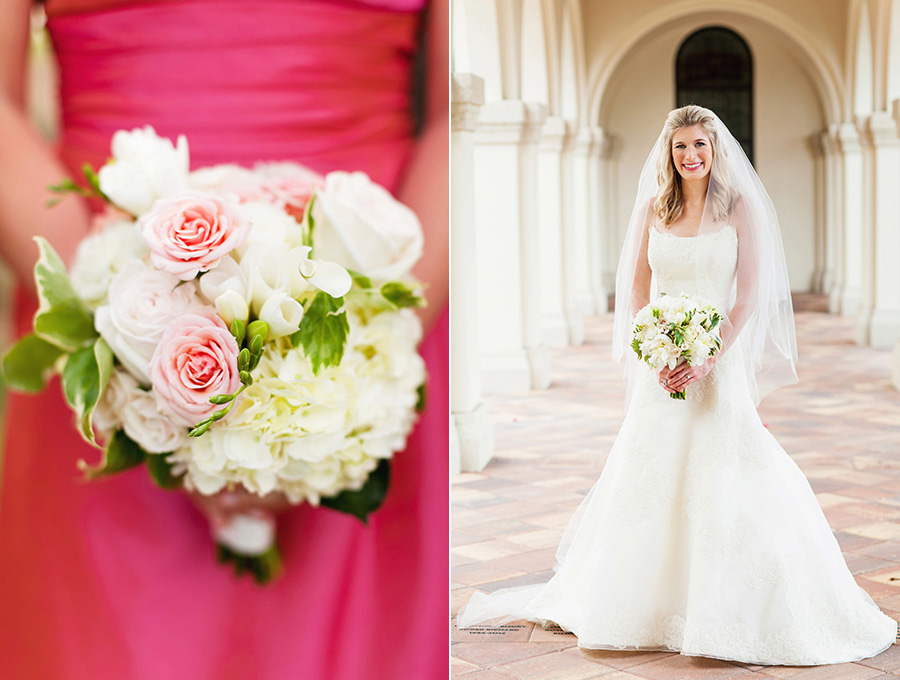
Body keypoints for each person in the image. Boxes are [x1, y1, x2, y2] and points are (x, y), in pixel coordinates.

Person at [0, 1, 448, 679]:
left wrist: (356, 355)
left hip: (367, 308)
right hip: (100, 323)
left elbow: (464, 107)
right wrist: (127, 335)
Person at [457, 105, 897, 665]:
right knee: (650, 473)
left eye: (700, 147)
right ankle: (641, 602)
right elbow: (638, 292)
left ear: (716, 152)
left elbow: (747, 297)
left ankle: (730, 605)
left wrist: (709, 355)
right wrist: (655, 348)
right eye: (681, 147)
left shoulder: (739, 209)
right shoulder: (652, 208)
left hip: (718, 365)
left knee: (726, 471)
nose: (691, 156)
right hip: (662, 367)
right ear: (669, 153)